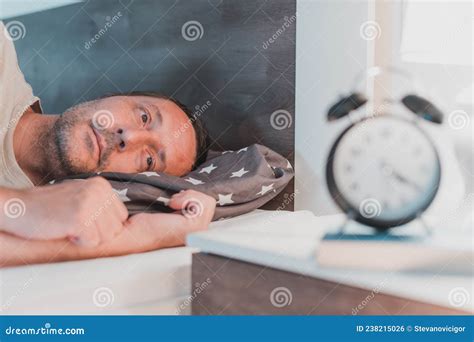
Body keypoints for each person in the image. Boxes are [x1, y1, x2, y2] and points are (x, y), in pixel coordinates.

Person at [0, 22, 216, 267]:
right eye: (144, 117)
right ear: (112, 95)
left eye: (148, 160)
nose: (129, 138)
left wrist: (140, 236)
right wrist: (24, 207)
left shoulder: (50, 218)